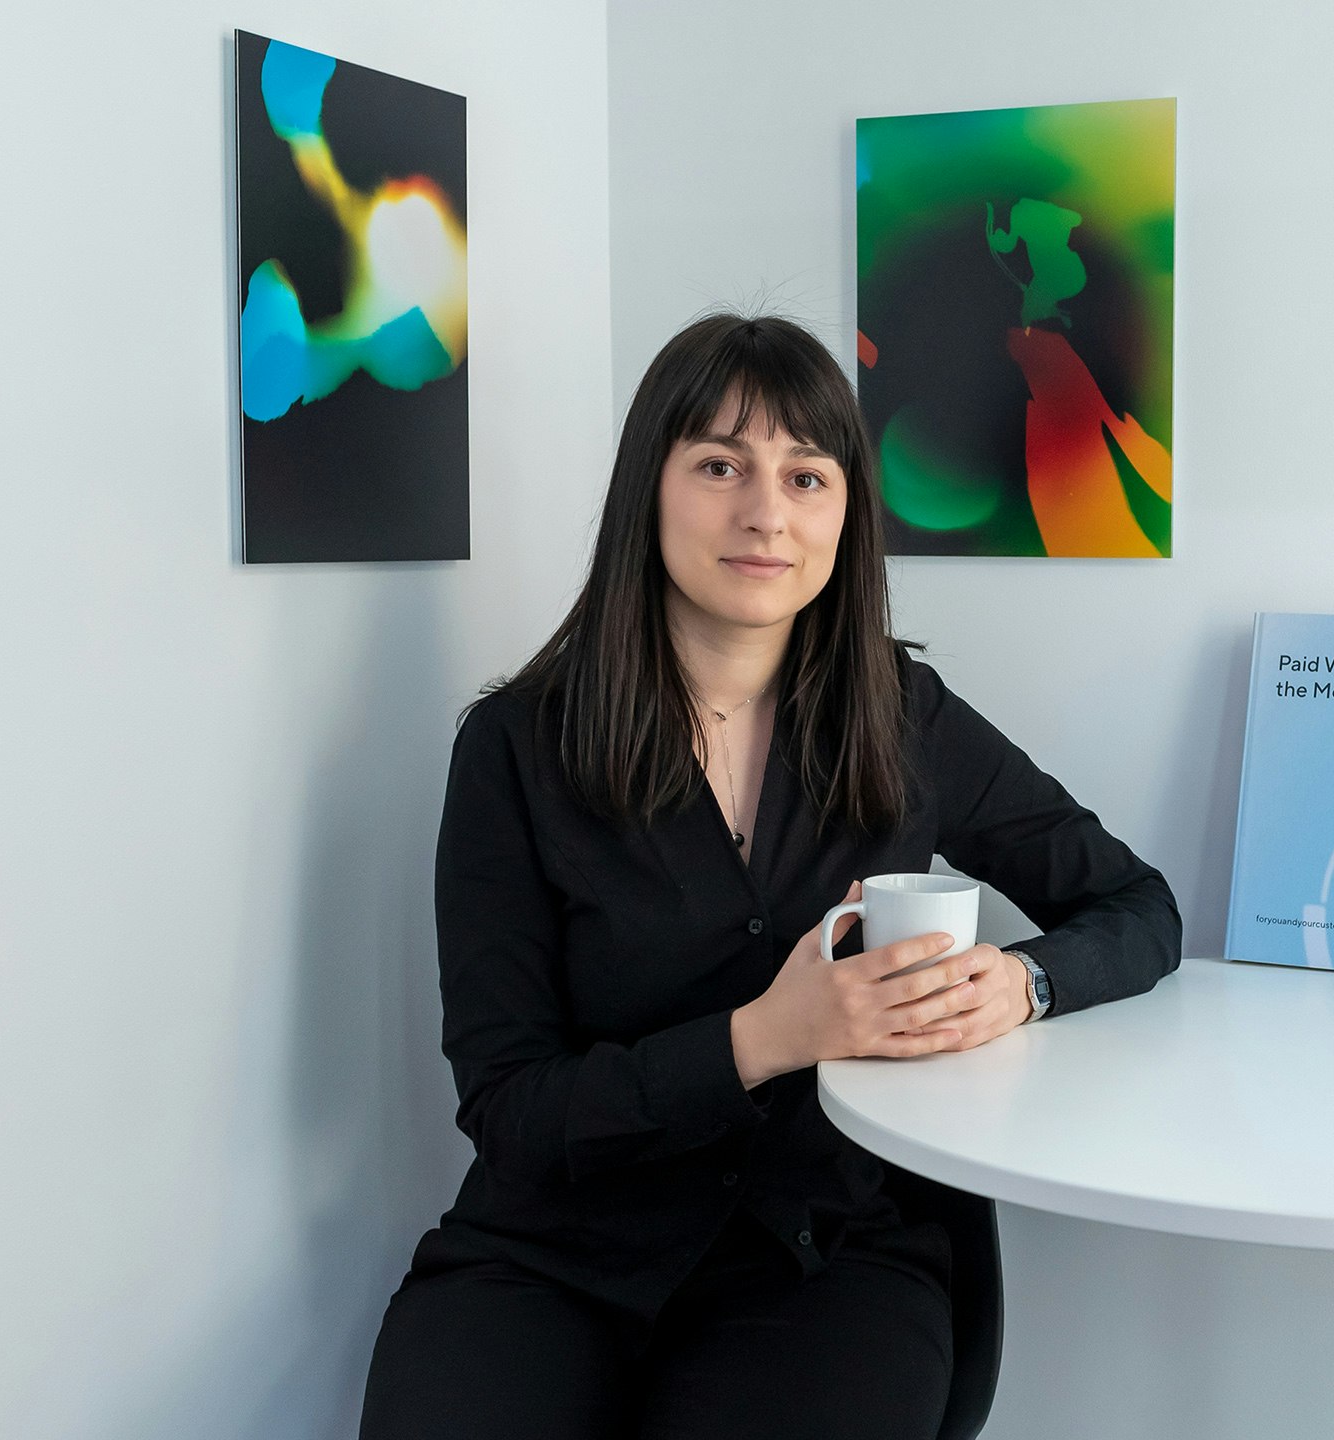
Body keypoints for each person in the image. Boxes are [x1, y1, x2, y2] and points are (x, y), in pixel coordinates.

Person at [357, 313, 1182, 1439]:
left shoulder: (903, 718)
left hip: (825, 1259)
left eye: (806, 474)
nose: (766, 514)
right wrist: (767, 1036)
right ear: (648, 486)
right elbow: (507, 1108)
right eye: (718, 466)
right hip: (555, 1257)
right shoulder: (514, 746)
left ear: (846, 512)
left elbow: (1137, 906)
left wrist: (1021, 985)